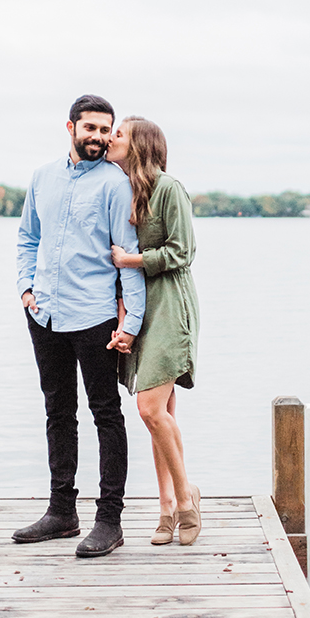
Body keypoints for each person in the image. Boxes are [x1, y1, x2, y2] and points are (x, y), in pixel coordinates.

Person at [15, 94, 146, 558]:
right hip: (44, 313)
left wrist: (132, 320)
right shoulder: (42, 178)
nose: (98, 137)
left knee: (106, 414)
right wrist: (25, 290)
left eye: (105, 130)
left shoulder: (115, 183)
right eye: (89, 128)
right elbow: (28, 238)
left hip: (95, 316)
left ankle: (109, 520)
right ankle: (61, 512)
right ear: (70, 128)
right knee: (57, 411)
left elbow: (127, 256)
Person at [106, 117, 201, 546]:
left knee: (148, 408)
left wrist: (133, 261)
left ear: (140, 144)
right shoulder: (126, 190)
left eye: (119, 134)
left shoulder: (169, 188)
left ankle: (184, 501)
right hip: (139, 306)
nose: (111, 139)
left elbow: (183, 251)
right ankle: (166, 505)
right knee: (160, 415)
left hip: (169, 305)